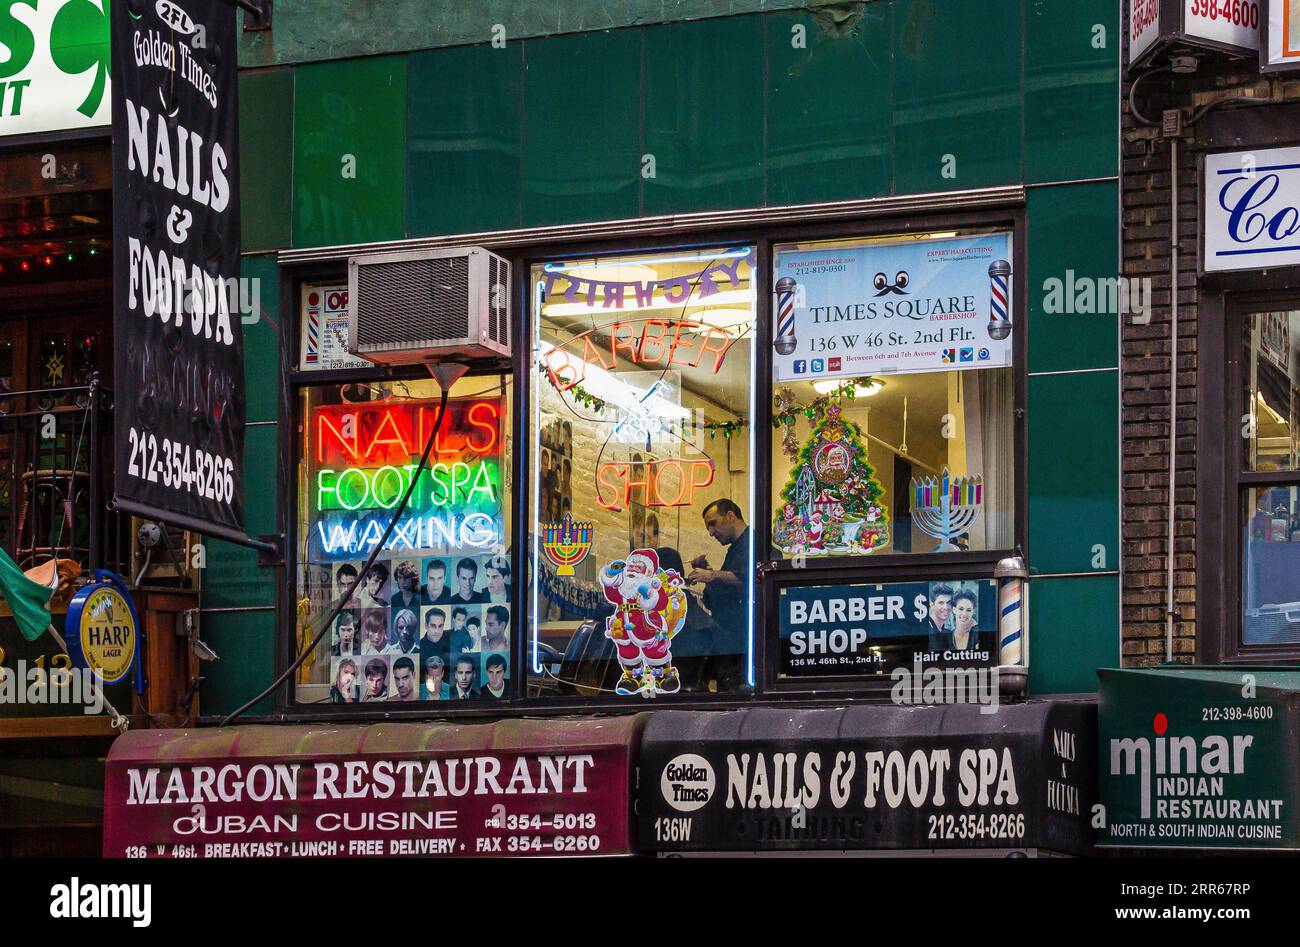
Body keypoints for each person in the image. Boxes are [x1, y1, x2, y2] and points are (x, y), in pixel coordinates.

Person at [688, 499, 752, 689]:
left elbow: (752, 577)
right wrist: (709, 573)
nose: (711, 533)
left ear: (731, 516)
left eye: (713, 524)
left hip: (743, 647)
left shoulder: (755, 543)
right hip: (730, 649)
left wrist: (712, 575)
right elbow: (726, 590)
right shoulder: (735, 550)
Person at [925, 585, 956, 651]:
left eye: (949, 603)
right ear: (932, 604)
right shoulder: (926, 629)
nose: (946, 607)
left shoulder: (947, 632)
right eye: (941, 603)